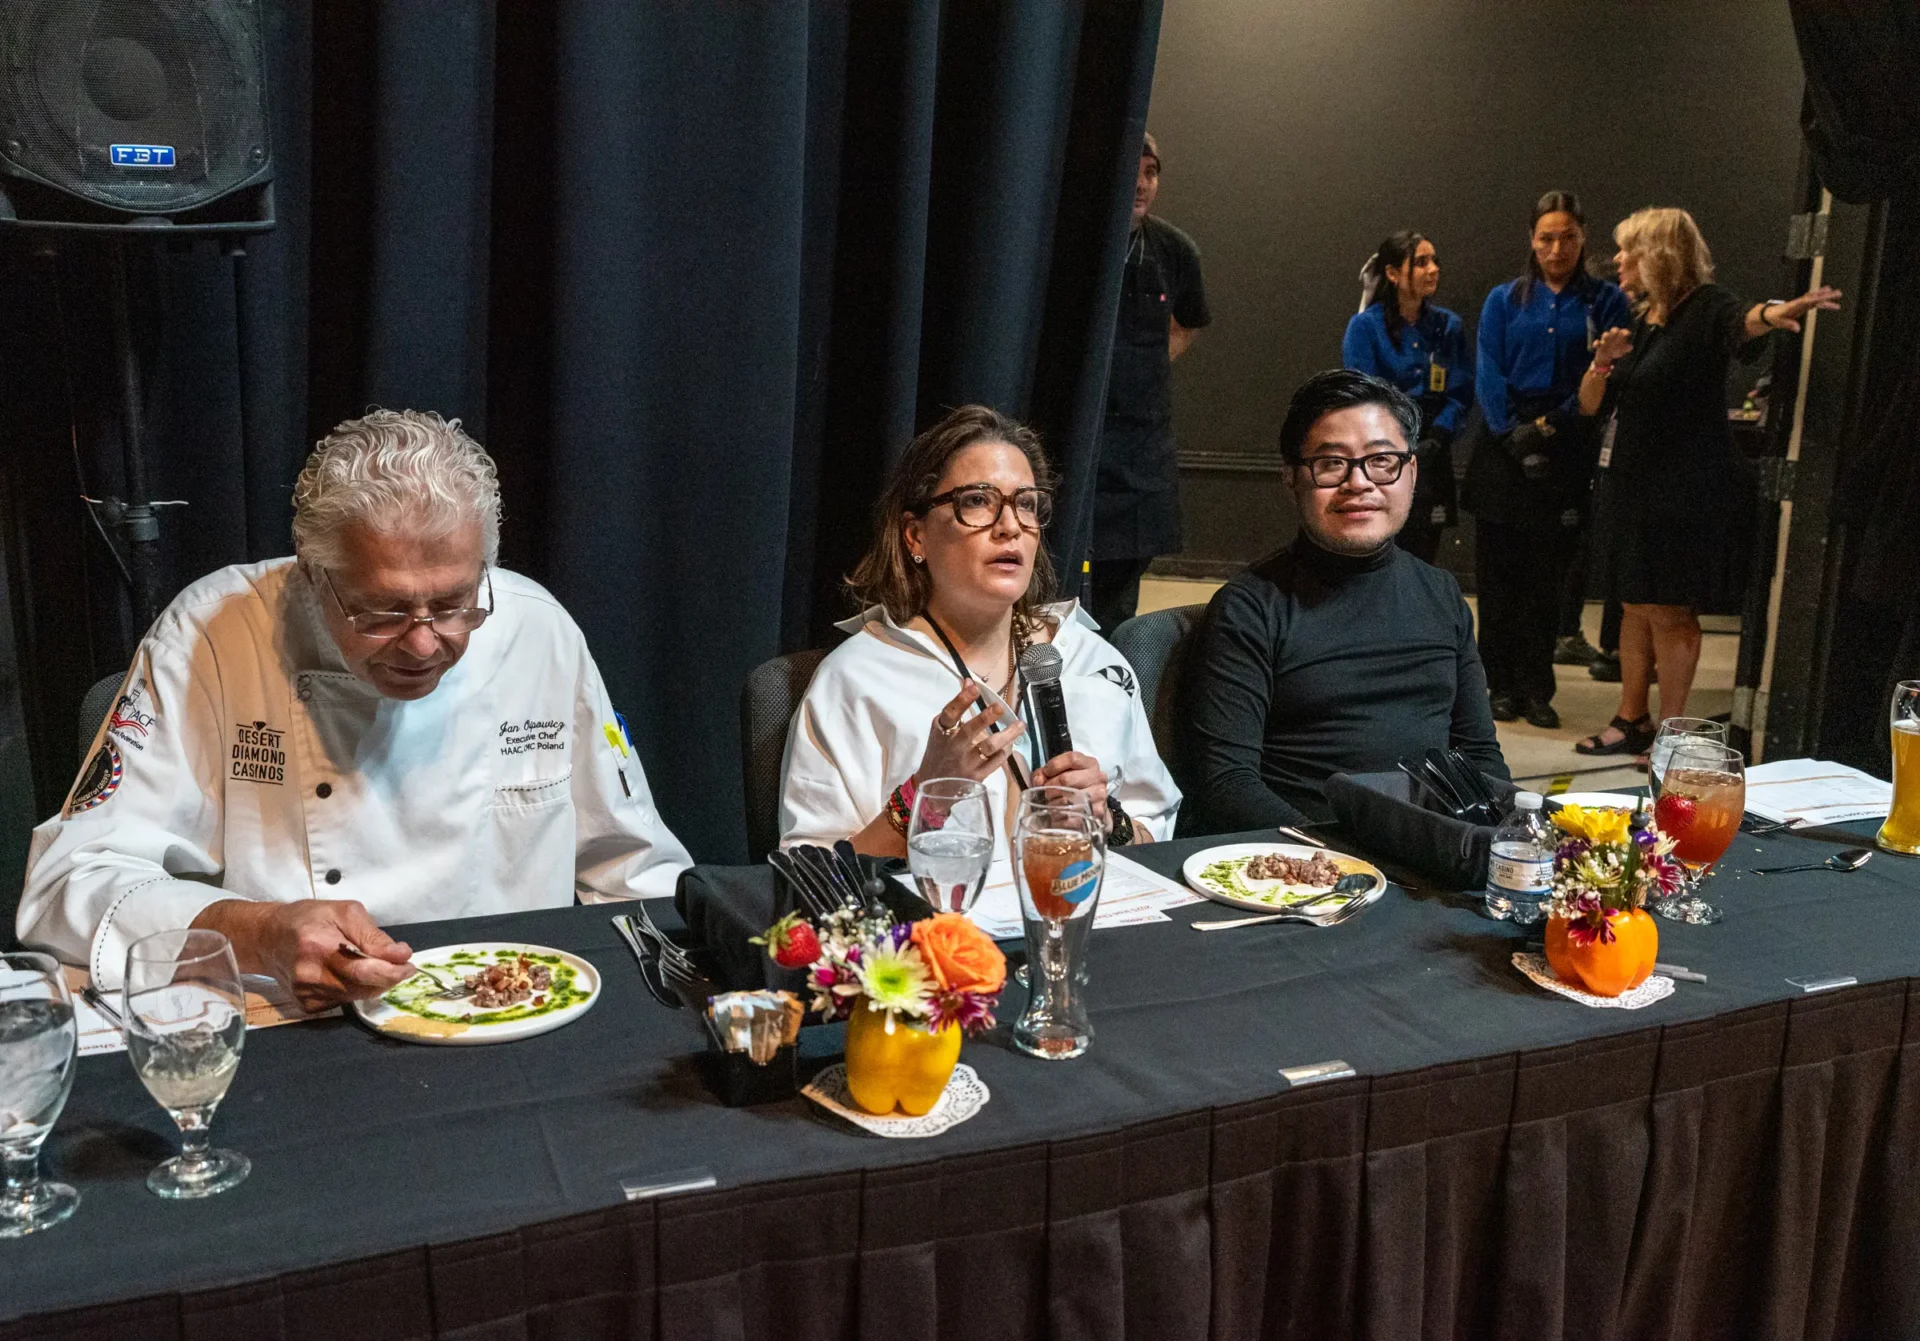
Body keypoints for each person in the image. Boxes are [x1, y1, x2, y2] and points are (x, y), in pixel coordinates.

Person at [16, 410, 691, 1009]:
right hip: (292, 1018)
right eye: (383, 610)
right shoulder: (213, 635)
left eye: (454, 603)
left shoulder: (538, 631)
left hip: (508, 1013)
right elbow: (66, 885)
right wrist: (256, 932)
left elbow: (635, 871)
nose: (426, 641)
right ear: (310, 575)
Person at [780, 404, 1179, 860]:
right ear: (916, 536)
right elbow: (812, 878)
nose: (1010, 527)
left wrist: (1109, 822)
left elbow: (1158, 839)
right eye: (977, 501)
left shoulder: (1092, 660)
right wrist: (923, 796)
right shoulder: (856, 681)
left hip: (1076, 915)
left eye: (1026, 504)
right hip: (935, 927)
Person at [1180, 370, 1510, 833]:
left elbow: (1479, 756)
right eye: (1332, 463)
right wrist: (1343, 864)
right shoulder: (1251, 607)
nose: (1359, 483)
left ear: (1411, 473)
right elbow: (1228, 786)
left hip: (1435, 856)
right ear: (1292, 478)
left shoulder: (1441, 594)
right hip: (1306, 865)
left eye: (1382, 461)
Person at [1575, 208, 1841, 756]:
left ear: (1659, 255)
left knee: (1671, 610)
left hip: (1683, 491)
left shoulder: (1705, 306)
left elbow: (1743, 321)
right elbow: (1589, 406)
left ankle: (1671, 735)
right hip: (1630, 487)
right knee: (1632, 605)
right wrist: (1601, 362)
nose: (1618, 260)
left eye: (1629, 249)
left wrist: (1778, 312)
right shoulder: (1647, 319)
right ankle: (1631, 719)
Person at [1463, 190, 1632, 731]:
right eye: (1546, 238)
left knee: (1547, 578)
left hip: (1566, 441)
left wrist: (1550, 426)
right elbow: (1488, 367)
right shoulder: (1504, 299)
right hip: (1503, 444)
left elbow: (1606, 377)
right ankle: (1498, 686)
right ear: (1531, 241)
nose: (1556, 248)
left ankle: (1538, 688)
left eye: (1568, 238)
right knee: (1498, 576)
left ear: (1583, 240)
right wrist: (1510, 430)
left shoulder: (1604, 300)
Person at [1088, 130, 1211, 634]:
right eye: (1133, 170)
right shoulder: (1077, 241)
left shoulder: (1175, 250)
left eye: (1152, 172)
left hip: (1141, 457)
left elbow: (1190, 322)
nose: (1141, 184)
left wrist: (1143, 371)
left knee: (1119, 604)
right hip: (1082, 453)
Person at [1341, 230, 1472, 564]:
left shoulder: (1448, 326)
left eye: (1434, 261)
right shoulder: (1365, 328)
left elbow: (1461, 391)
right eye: (1421, 262)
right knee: (1382, 557)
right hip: (1385, 455)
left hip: (1433, 452)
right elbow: (1364, 397)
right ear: (1393, 273)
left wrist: (1439, 434)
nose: (1433, 269)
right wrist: (1400, 441)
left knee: (1424, 557)